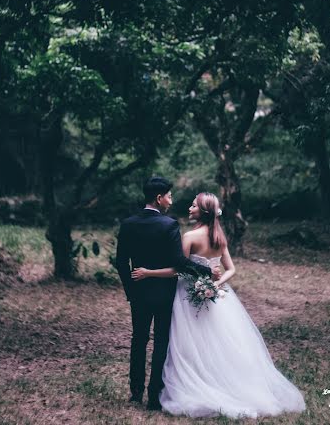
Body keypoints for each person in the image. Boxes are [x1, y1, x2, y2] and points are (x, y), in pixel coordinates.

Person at [131, 191, 306, 419]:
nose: (189, 208)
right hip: (215, 297)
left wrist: (149, 272)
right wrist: (214, 284)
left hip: (187, 295)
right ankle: (219, 381)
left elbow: (179, 269)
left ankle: (193, 383)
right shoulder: (219, 237)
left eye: (193, 206)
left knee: (187, 342)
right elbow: (231, 269)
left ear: (203, 211)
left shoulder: (190, 237)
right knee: (215, 342)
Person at [115, 177, 220, 411]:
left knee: (138, 340)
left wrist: (130, 291)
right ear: (159, 198)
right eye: (169, 196)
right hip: (164, 293)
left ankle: (135, 392)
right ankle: (154, 396)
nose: (171, 201)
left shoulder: (128, 223)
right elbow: (179, 262)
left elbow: (121, 262)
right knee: (161, 341)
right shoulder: (169, 224)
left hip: (139, 292)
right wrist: (206, 271)